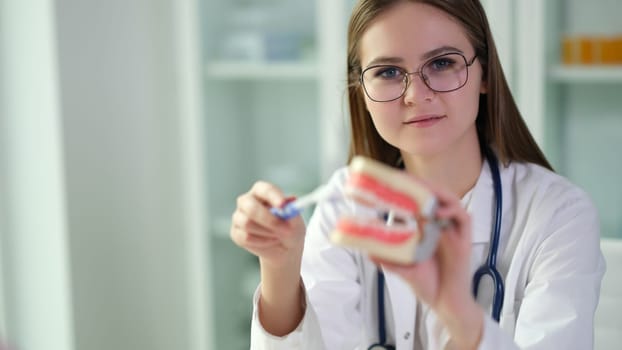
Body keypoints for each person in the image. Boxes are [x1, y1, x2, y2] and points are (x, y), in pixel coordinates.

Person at [230, 0, 606, 348]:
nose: (415, 94)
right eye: (389, 72)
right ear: (361, 89)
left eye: (442, 63)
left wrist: (456, 310)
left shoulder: (557, 214)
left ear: (485, 74)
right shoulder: (344, 203)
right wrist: (279, 268)